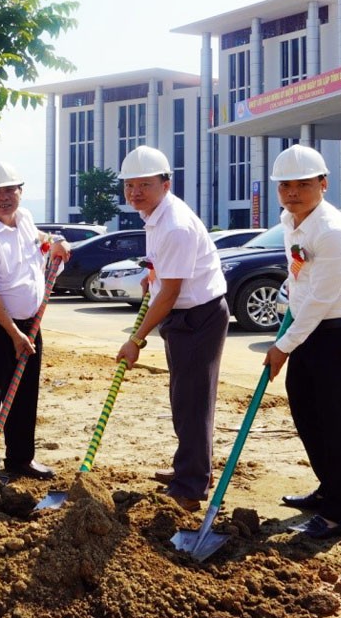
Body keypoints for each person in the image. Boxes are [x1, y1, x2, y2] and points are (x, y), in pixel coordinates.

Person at [263, 144, 341, 540]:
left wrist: (282, 346)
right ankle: (327, 489)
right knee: (307, 415)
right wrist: (289, 322)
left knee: (336, 423)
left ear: (323, 184)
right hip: (308, 330)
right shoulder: (291, 221)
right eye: (284, 185)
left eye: (302, 184)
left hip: (340, 334)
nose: (292, 192)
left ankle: (338, 514)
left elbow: (322, 301)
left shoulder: (333, 232)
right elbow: (299, 277)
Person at [115, 146, 229, 512]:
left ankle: (190, 488)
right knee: (183, 399)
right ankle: (189, 468)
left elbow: (172, 293)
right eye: (129, 185)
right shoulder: (155, 215)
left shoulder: (174, 224)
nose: (135, 192)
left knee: (193, 403)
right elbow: (165, 277)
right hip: (185, 316)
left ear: (166, 183)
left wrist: (136, 339)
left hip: (198, 316)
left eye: (144, 185)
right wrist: (154, 275)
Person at [0, 159, 70, 478]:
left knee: (23, 394)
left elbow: (39, 242)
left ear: (21, 191)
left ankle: (21, 459)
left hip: (27, 325)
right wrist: (13, 334)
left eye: (11, 189)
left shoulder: (23, 219)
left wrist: (56, 244)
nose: (4, 197)